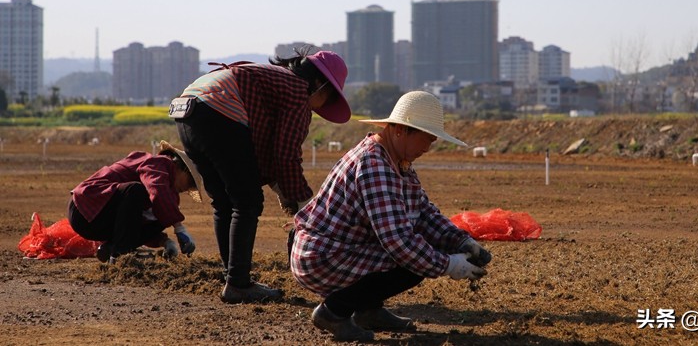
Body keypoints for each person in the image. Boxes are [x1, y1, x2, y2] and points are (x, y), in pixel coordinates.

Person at [290, 91, 492, 342]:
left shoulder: (395, 161)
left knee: (415, 252)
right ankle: (333, 312)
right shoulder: (374, 165)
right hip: (324, 257)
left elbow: (423, 211)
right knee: (411, 262)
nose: (427, 148)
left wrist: (460, 241)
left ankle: (369, 310)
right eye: (426, 139)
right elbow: (398, 241)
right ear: (400, 130)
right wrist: (449, 264)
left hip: (336, 248)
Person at [173, 47, 351, 304]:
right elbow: (286, 155)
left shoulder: (275, 81)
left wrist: (284, 190)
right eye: (330, 97)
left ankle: (233, 277)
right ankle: (238, 284)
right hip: (216, 111)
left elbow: (261, 151)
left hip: (188, 111)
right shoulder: (298, 93)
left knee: (224, 201)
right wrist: (302, 204)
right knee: (247, 202)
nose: (324, 106)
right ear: (318, 85)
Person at [68, 140, 205, 264]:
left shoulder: (169, 192)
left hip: (104, 222)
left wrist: (164, 241)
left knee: (162, 214)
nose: (188, 188)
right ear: (178, 167)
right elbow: (157, 192)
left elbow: (139, 219)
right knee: (135, 190)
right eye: (191, 182)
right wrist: (179, 227)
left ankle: (112, 249)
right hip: (86, 209)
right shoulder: (159, 163)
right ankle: (121, 255)